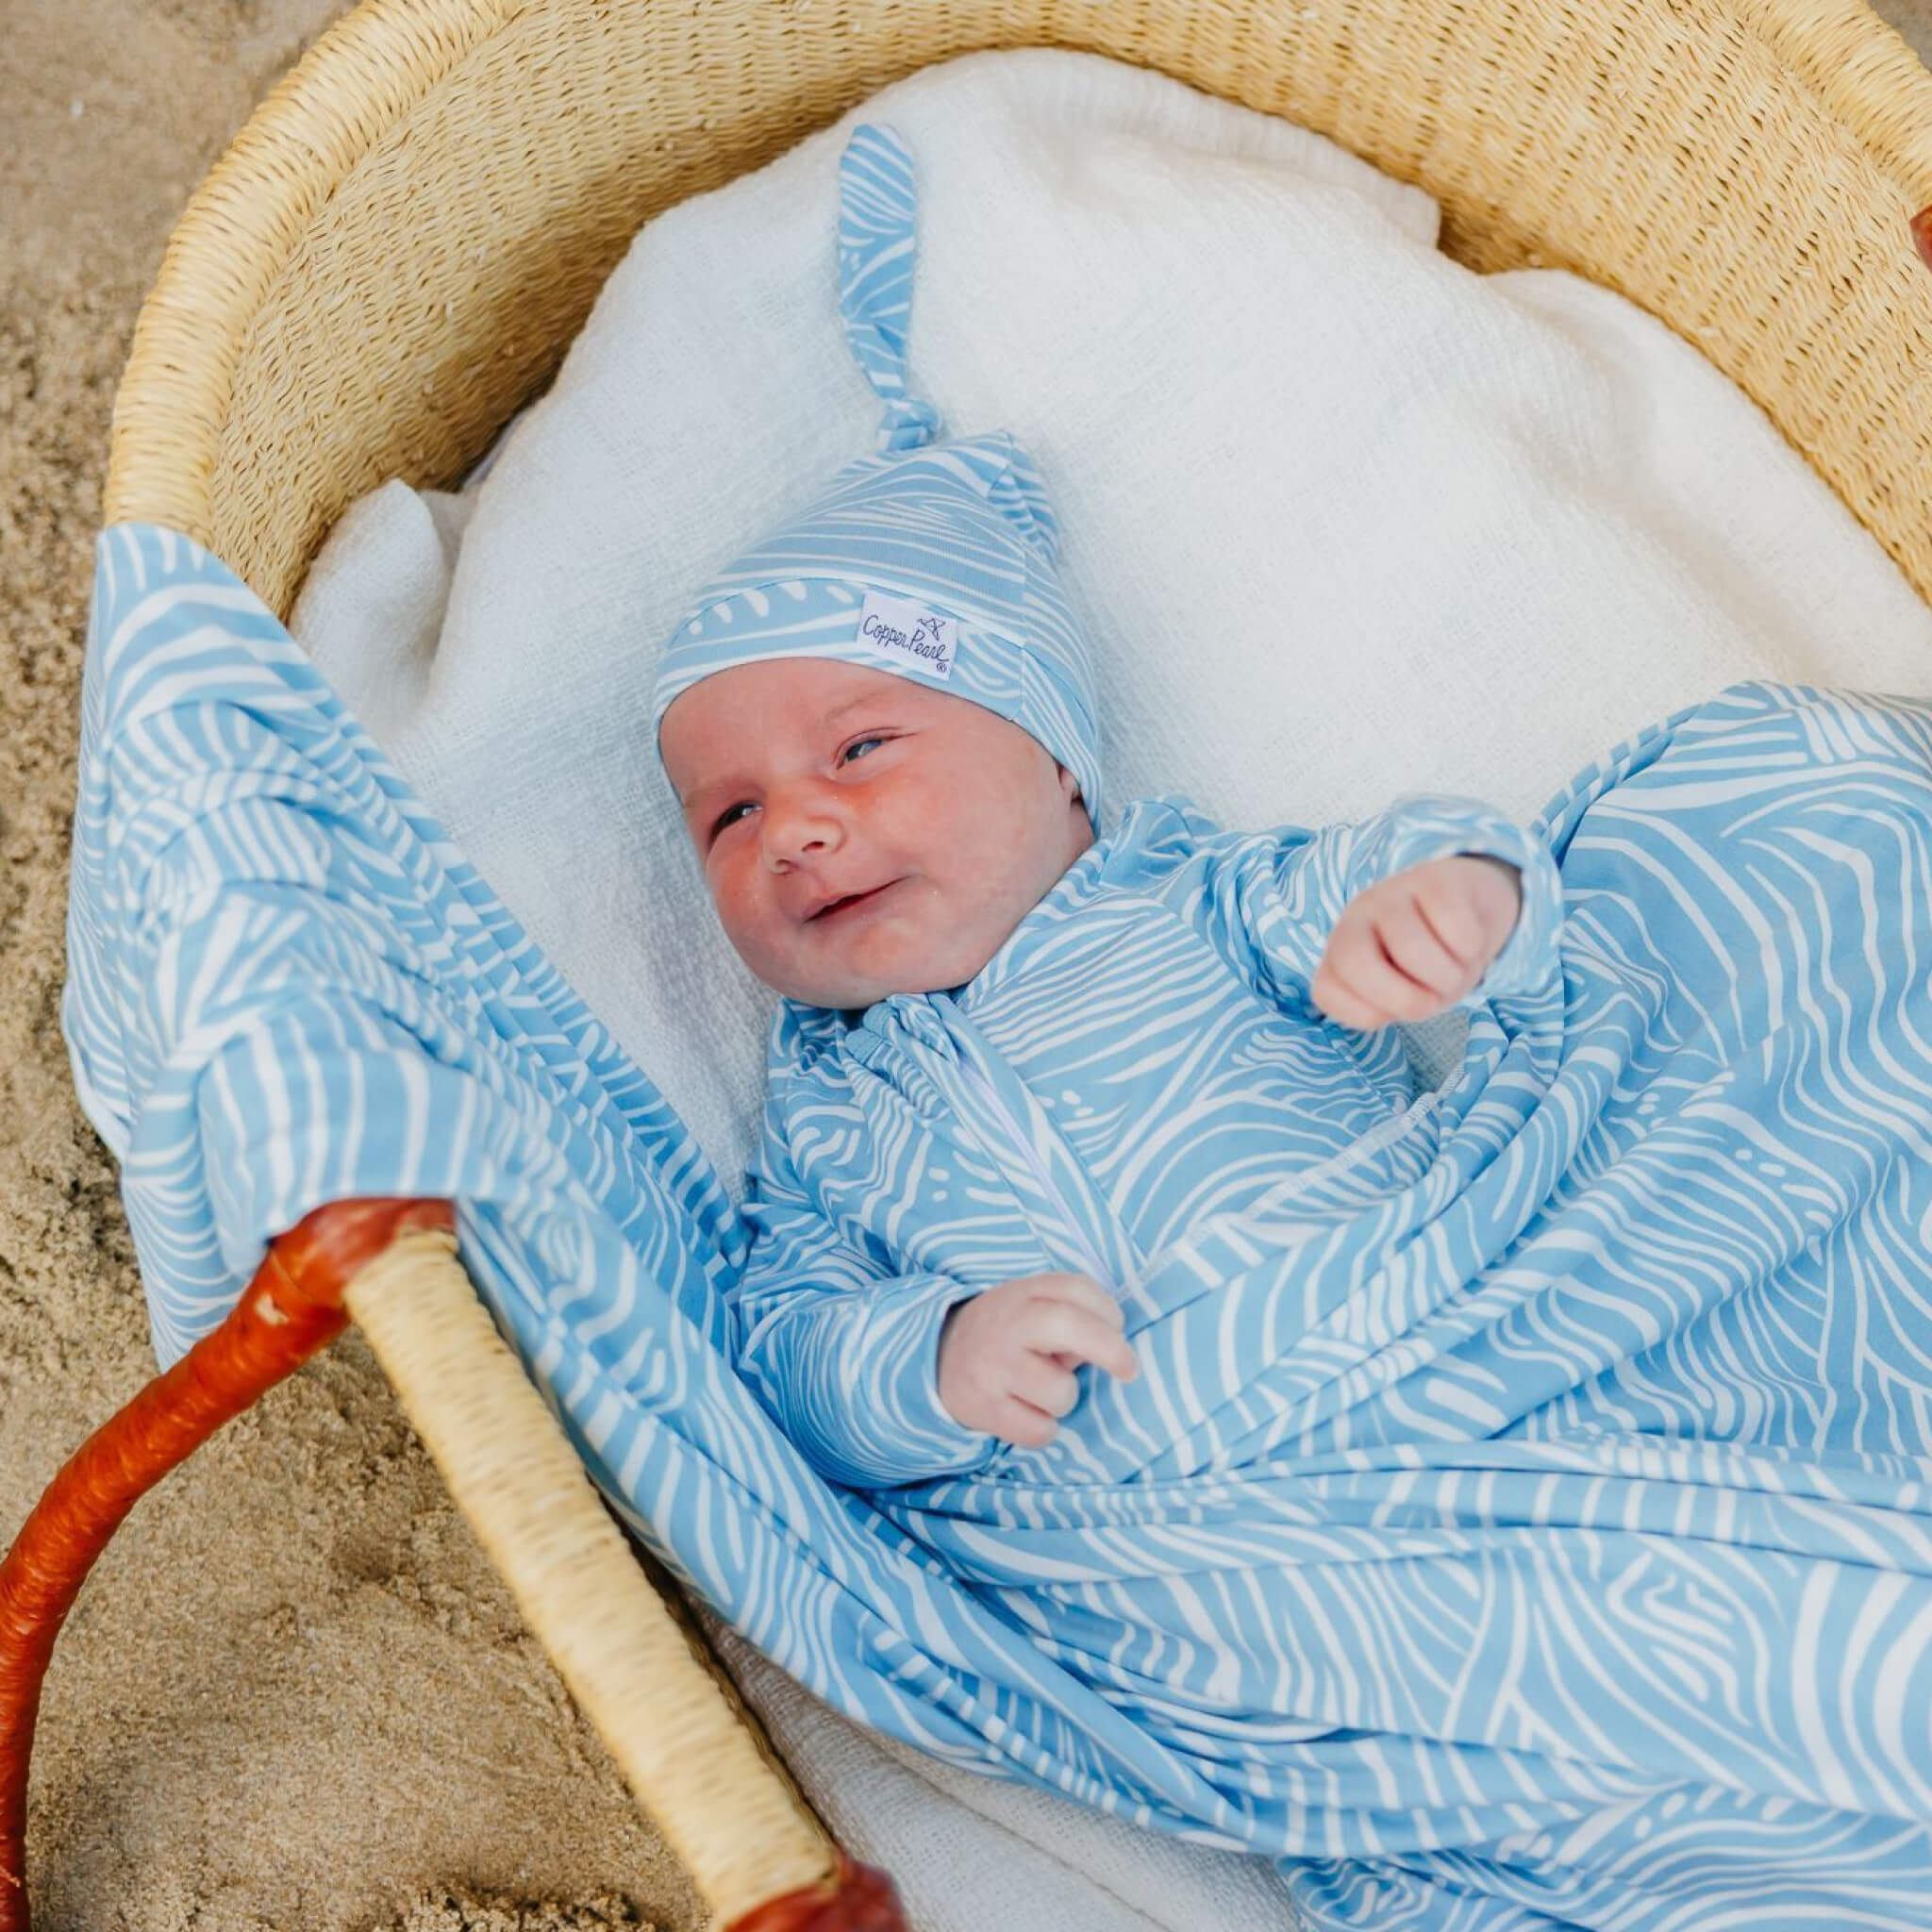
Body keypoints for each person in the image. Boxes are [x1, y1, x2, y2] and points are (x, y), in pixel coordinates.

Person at [653, 122, 1559, 1489]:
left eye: (861, 748)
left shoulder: (1191, 902)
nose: (791, 829)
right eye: (727, 817)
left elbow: (1377, 871)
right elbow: (789, 1349)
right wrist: (939, 1357)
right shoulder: (826, 1119)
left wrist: (1453, 898)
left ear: (1059, 759)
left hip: (1429, 1347)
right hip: (1172, 1514)